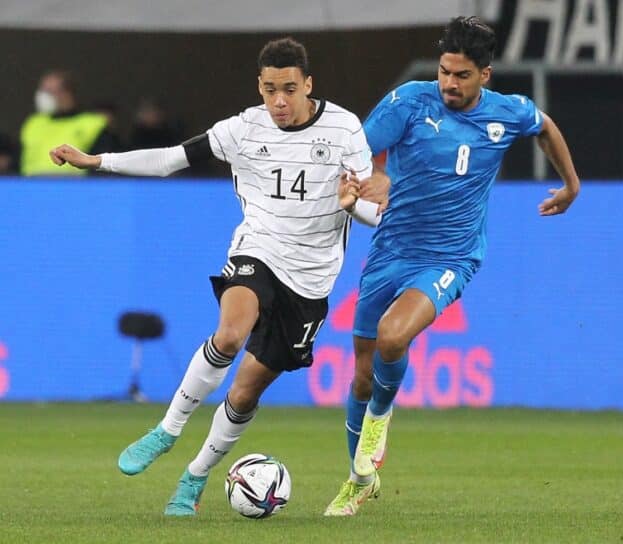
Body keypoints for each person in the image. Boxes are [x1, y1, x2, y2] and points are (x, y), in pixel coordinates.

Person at [49, 37, 388, 516]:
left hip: (311, 282)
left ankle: (194, 479)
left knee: (244, 392)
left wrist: (356, 206)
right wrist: (97, 161)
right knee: (229, 334)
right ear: (259, 86)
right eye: (270, 89)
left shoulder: (344, 128)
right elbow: (170, 159)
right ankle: (166, 429)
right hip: (258, 251)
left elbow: (373, 209)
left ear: (308, 84)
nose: (279, 102)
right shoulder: (243, 129)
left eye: (289, 89)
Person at [324, 16, 581, 517]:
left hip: (449, 256)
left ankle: (379, 422)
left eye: (461, 75)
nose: (449, 84)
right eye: (444, 71)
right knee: (360, 373)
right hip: (390, 249)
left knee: (393, 337)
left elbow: (544, 126)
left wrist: (571, 185)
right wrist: (361, 181)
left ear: (485, 75)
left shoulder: (506, 113)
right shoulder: (408, 101)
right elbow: (354, 154)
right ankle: (358, 478)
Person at [20, 69, 117, 176]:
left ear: (66, 93)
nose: (42, 96)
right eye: (42, 90)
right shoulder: (34, 123)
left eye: (49, 91)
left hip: (73, 189)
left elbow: (104, 165)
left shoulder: (93, 124)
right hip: (30, 188)